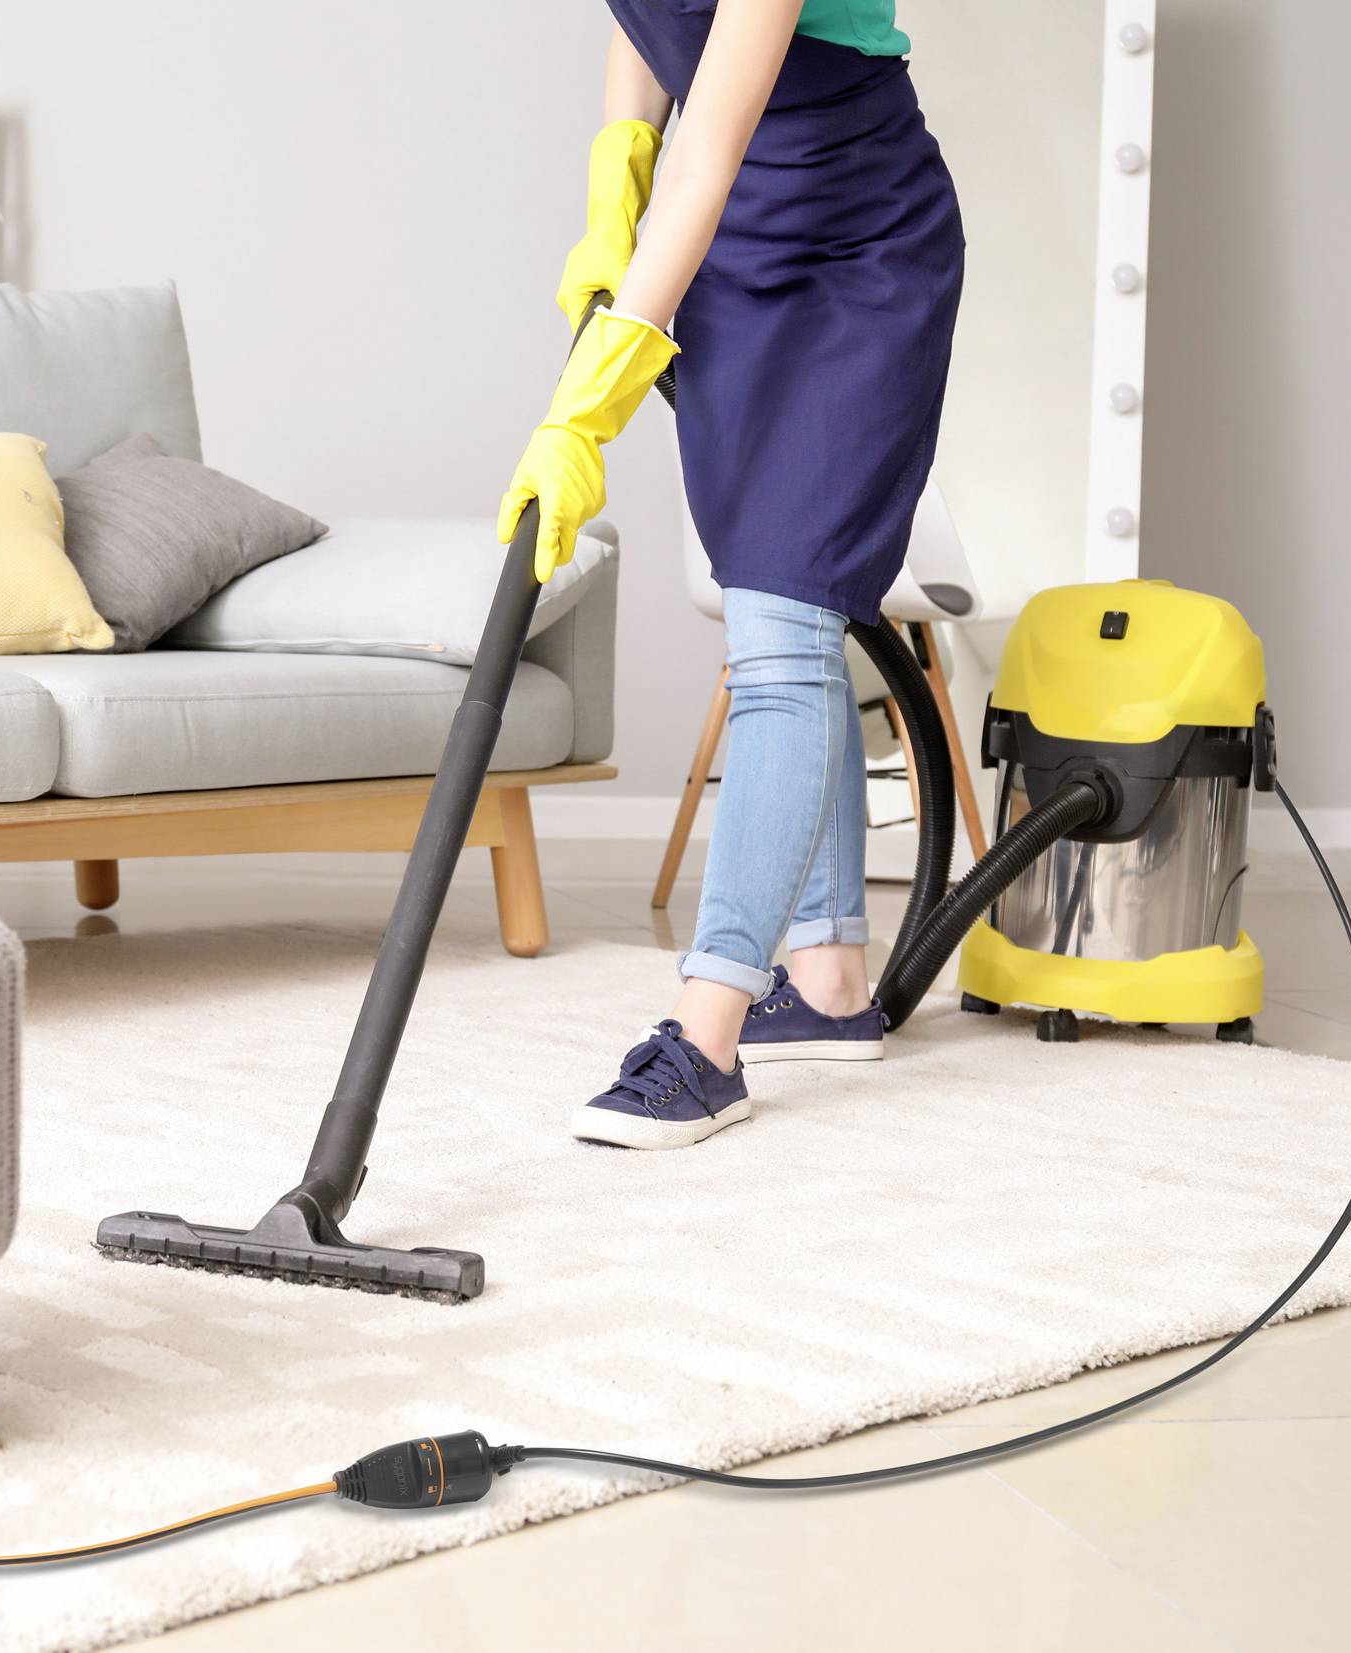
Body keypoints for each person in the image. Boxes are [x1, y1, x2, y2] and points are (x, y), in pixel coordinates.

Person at [499, 0, 964, 1149]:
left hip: (854, 245)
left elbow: (705, 153)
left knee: (783, 627)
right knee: (779, 611)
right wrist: (614, 179)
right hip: (727, 255)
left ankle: (704, 1040)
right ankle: (828, 980)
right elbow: (645, 23)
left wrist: (584, 411)